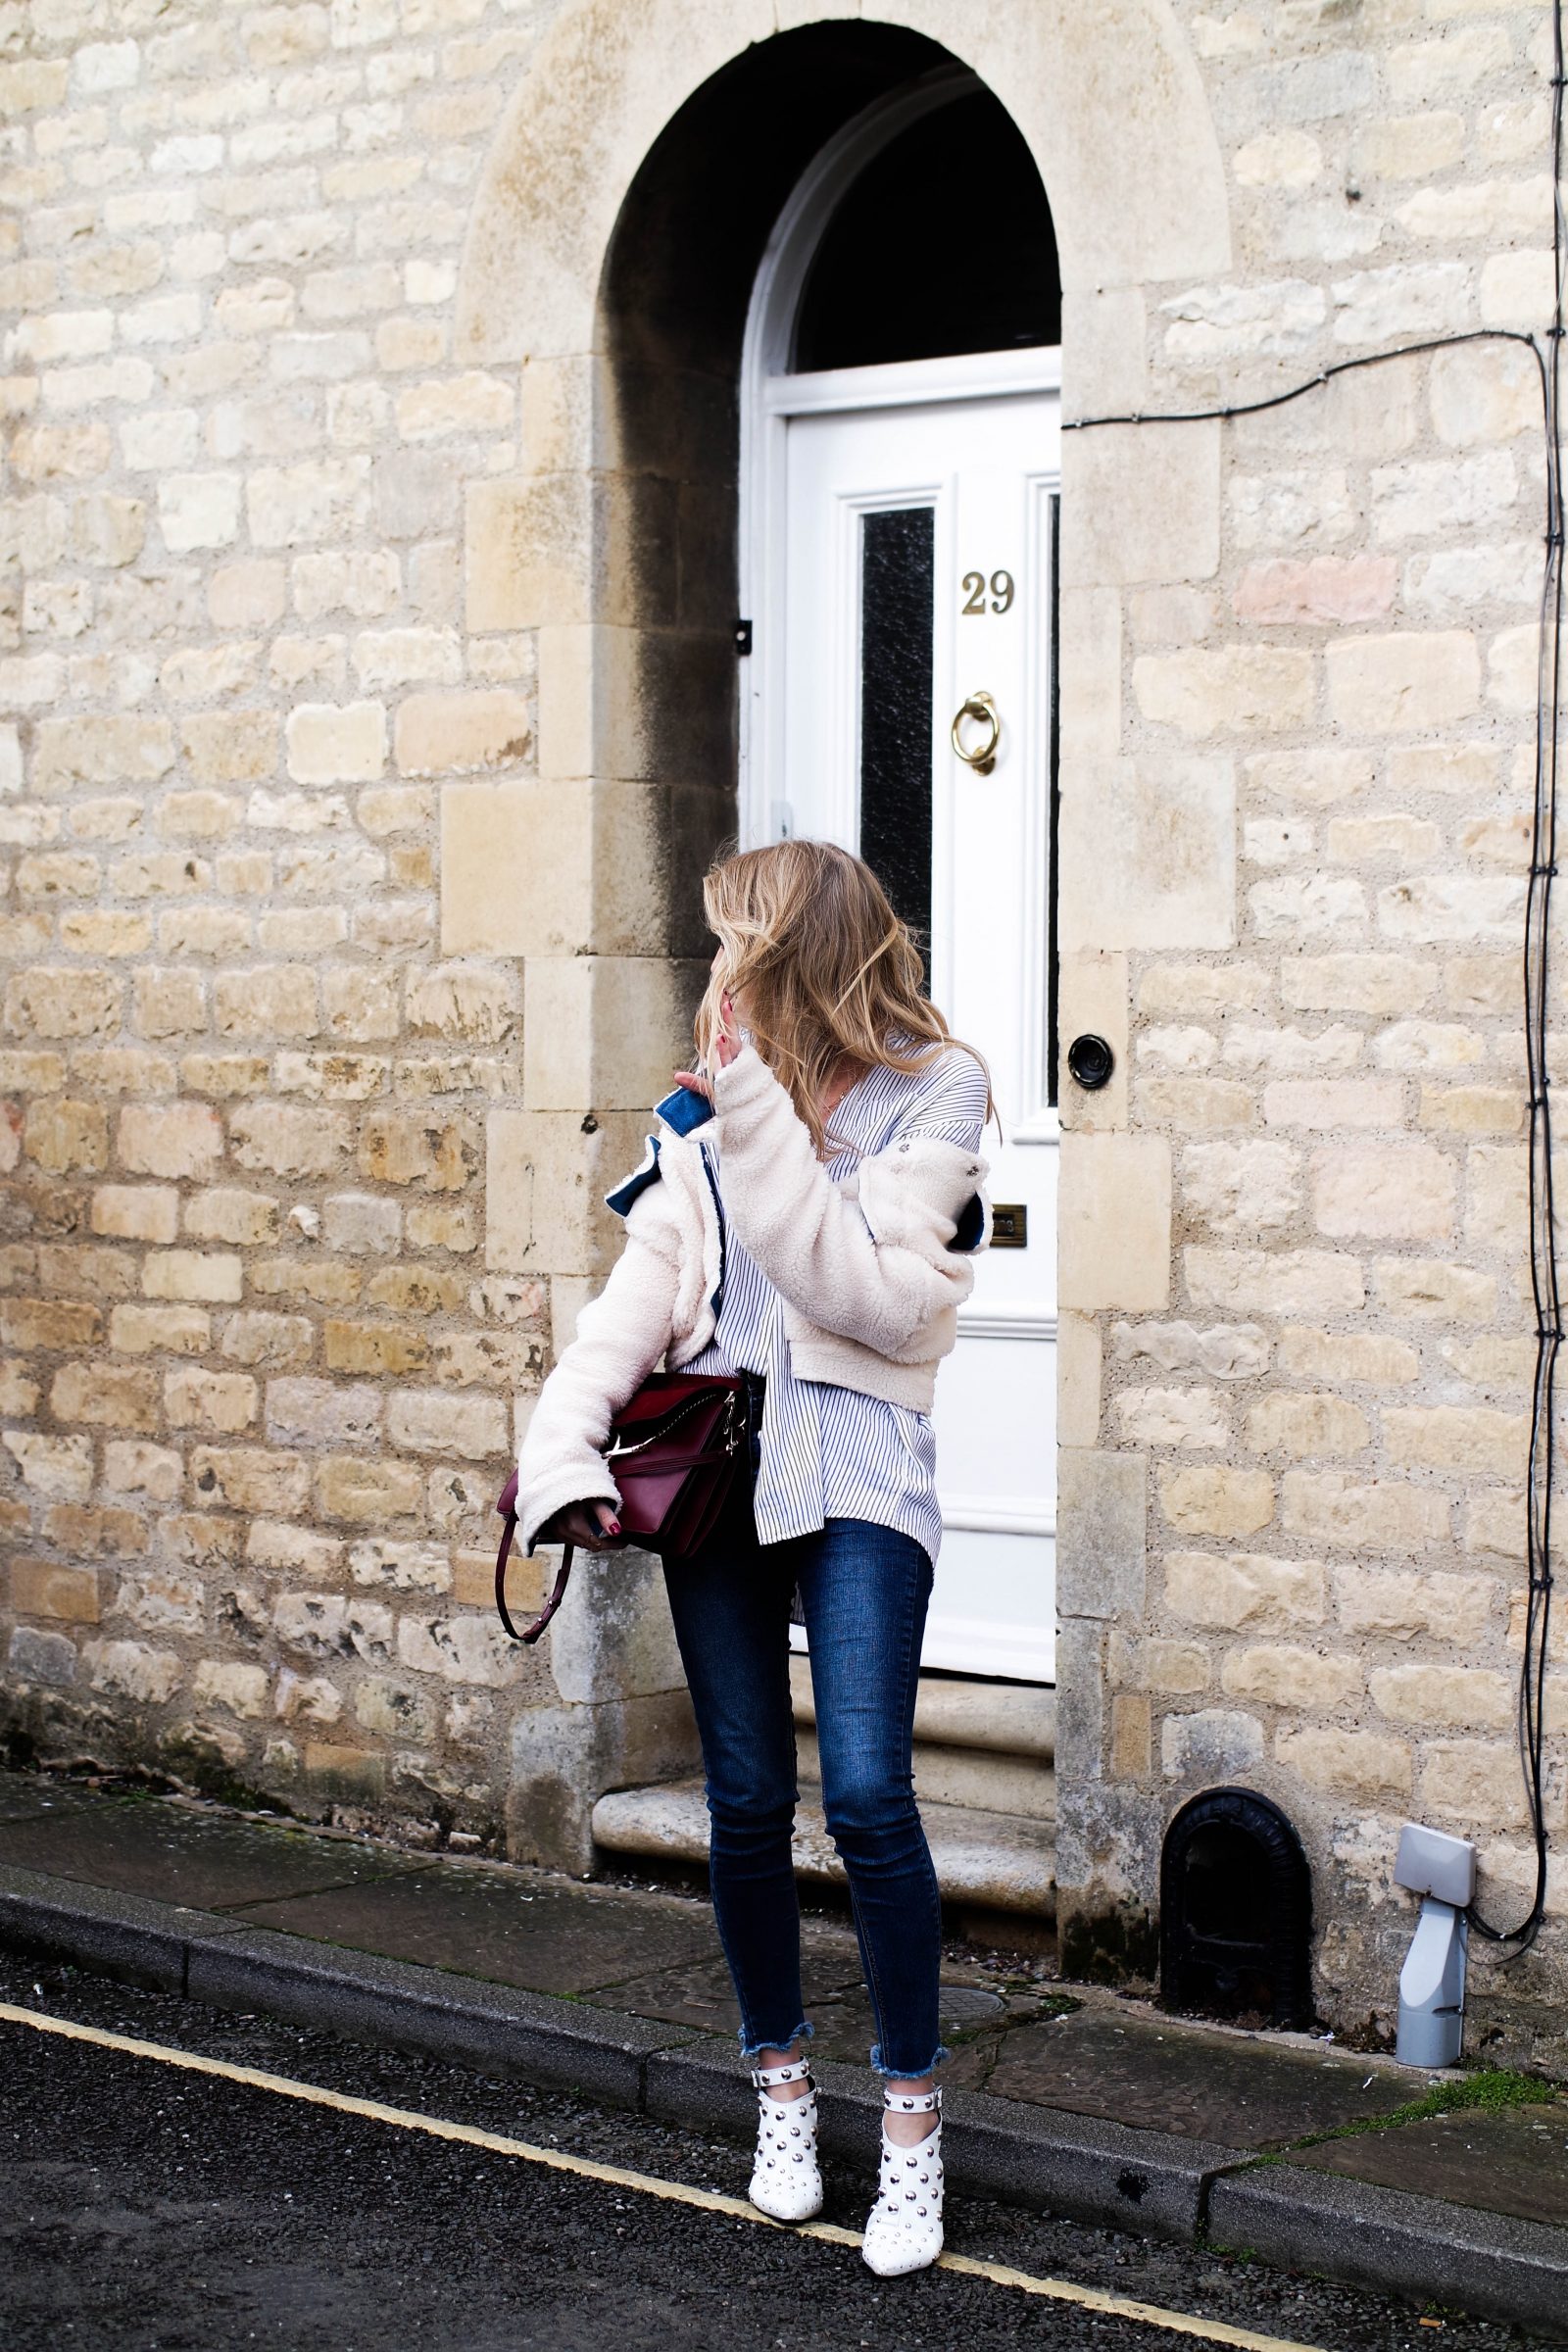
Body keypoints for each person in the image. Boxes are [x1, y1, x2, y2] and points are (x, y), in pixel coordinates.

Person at [514, 839, 993, 2277]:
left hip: (858, 1478)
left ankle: (911, 2130)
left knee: (864, 1793)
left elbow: (869, 1295)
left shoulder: (939, 1088)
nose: (714, 965)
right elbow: (644, 1290)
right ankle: (781, 2092)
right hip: (720, 1481)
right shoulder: (704, 1101)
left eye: (737, 938)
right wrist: (561, 1442)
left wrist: (758, 1109)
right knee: (738, 1793)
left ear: (799, 946)